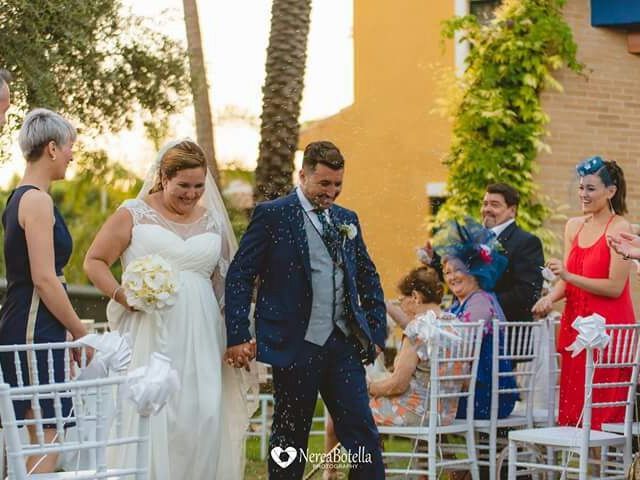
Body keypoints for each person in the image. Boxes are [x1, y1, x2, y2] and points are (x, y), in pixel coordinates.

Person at [84, 139, 258, 479]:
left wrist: (236, 335)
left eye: (198, 186)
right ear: (164, 178)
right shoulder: (132, 214)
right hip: (152, 330)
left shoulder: (212, 222)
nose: (192, 194)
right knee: (155, 412)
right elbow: (94, 262)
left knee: (203, 412)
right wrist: (123, 295)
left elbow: (223, 285)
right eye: (183, 186)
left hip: (204, 333)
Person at [224, 140, 387, 480]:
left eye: (338, 184)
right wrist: (238, 333)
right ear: (303, 175)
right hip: (295, 344)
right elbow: (241, 273)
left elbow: (368, 277)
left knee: (361, 430)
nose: (332, 192)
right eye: (324, 183)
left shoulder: (346, 219)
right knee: (291, 435)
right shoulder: (274, 215)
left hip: (343, 344)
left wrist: (375, 331)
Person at [0, 108, 89, 473]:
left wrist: (66, 331)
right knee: (49, 435)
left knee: (37, 433)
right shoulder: (36, 200)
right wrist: (82, 333)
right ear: (52, 148)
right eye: (70, 147)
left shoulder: (18, 198)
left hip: (32, 322)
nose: (72, 155)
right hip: (33, 327)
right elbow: (44, 279)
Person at [532, 155, 634, 430]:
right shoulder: (573, 226)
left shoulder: (620, 228)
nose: (583, 194)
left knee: (601, 421)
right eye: (581, 188)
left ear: (610, 191)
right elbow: (567, 281)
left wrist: (567, 275)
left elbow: (614, 287)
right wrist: (550, 298)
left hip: (607, 333)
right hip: (575, 328)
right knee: (574, 416)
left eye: (590, 188)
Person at [433, 217, 518, 420]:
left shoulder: (480, 302)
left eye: (458, 270)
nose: (451, 277)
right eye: (447, 273)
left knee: (421, 401)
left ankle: (432, 449)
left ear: (474, 270)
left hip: (486, 395)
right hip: (472, 390)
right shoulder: (457, 305)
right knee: (421, 397)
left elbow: (458, 344)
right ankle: (438, 450)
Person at [423, 183, 544, 323]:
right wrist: (434, 261)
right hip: (467, 323)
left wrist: (484, 304)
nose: (487, 209)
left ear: (512, 210)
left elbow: (527, 292)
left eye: (495, 205)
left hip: (506, 331)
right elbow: (462, 275)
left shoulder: (526, 242)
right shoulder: (476, 238)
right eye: (485, 204)